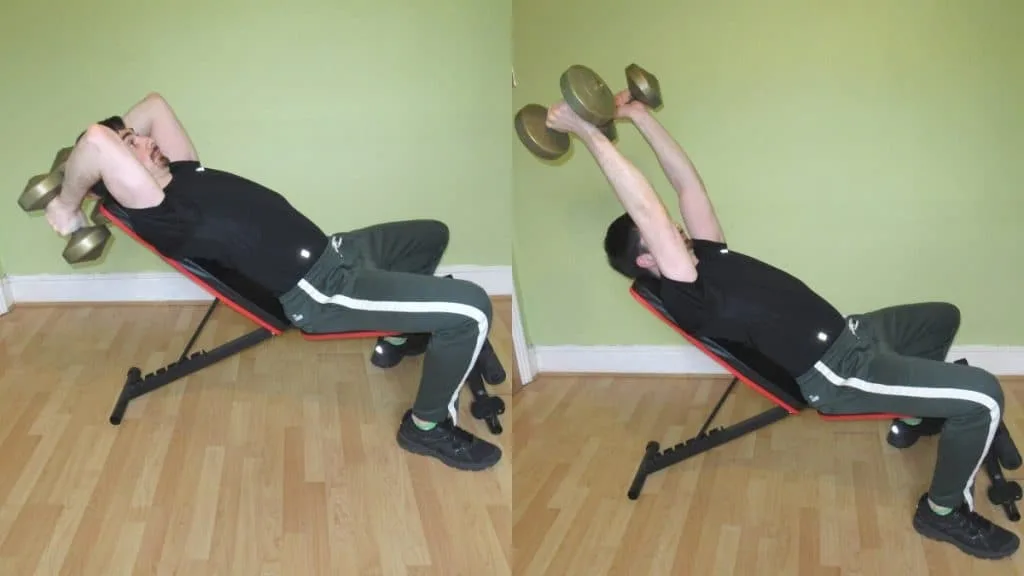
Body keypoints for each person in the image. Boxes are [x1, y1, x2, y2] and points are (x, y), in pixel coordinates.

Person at [544, 91, 1018, 560]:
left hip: (854, 334)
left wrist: (639, 117)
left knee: (941, 318)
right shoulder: (685, 292)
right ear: (648, 258)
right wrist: (587, 132)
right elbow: (648, 209)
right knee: (982, 396)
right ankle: (942, 511)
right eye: (662, 231)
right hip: (838, 372)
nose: (674, 224)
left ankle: (912, 416)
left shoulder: (703, 256)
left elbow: (688, 187)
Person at [44, 92, 502, 472]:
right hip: (321, 291)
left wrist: (122, 143)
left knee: (429, 236)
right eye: (131, 145)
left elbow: (154, 105)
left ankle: (397, 334)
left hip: (334, 251)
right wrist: (67, 202)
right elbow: (96, 140)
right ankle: (426, 429)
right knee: (472, 308)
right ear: (117, 177)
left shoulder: (180, 173)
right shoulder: (160, 213)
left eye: (138, 137)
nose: (144, 141)